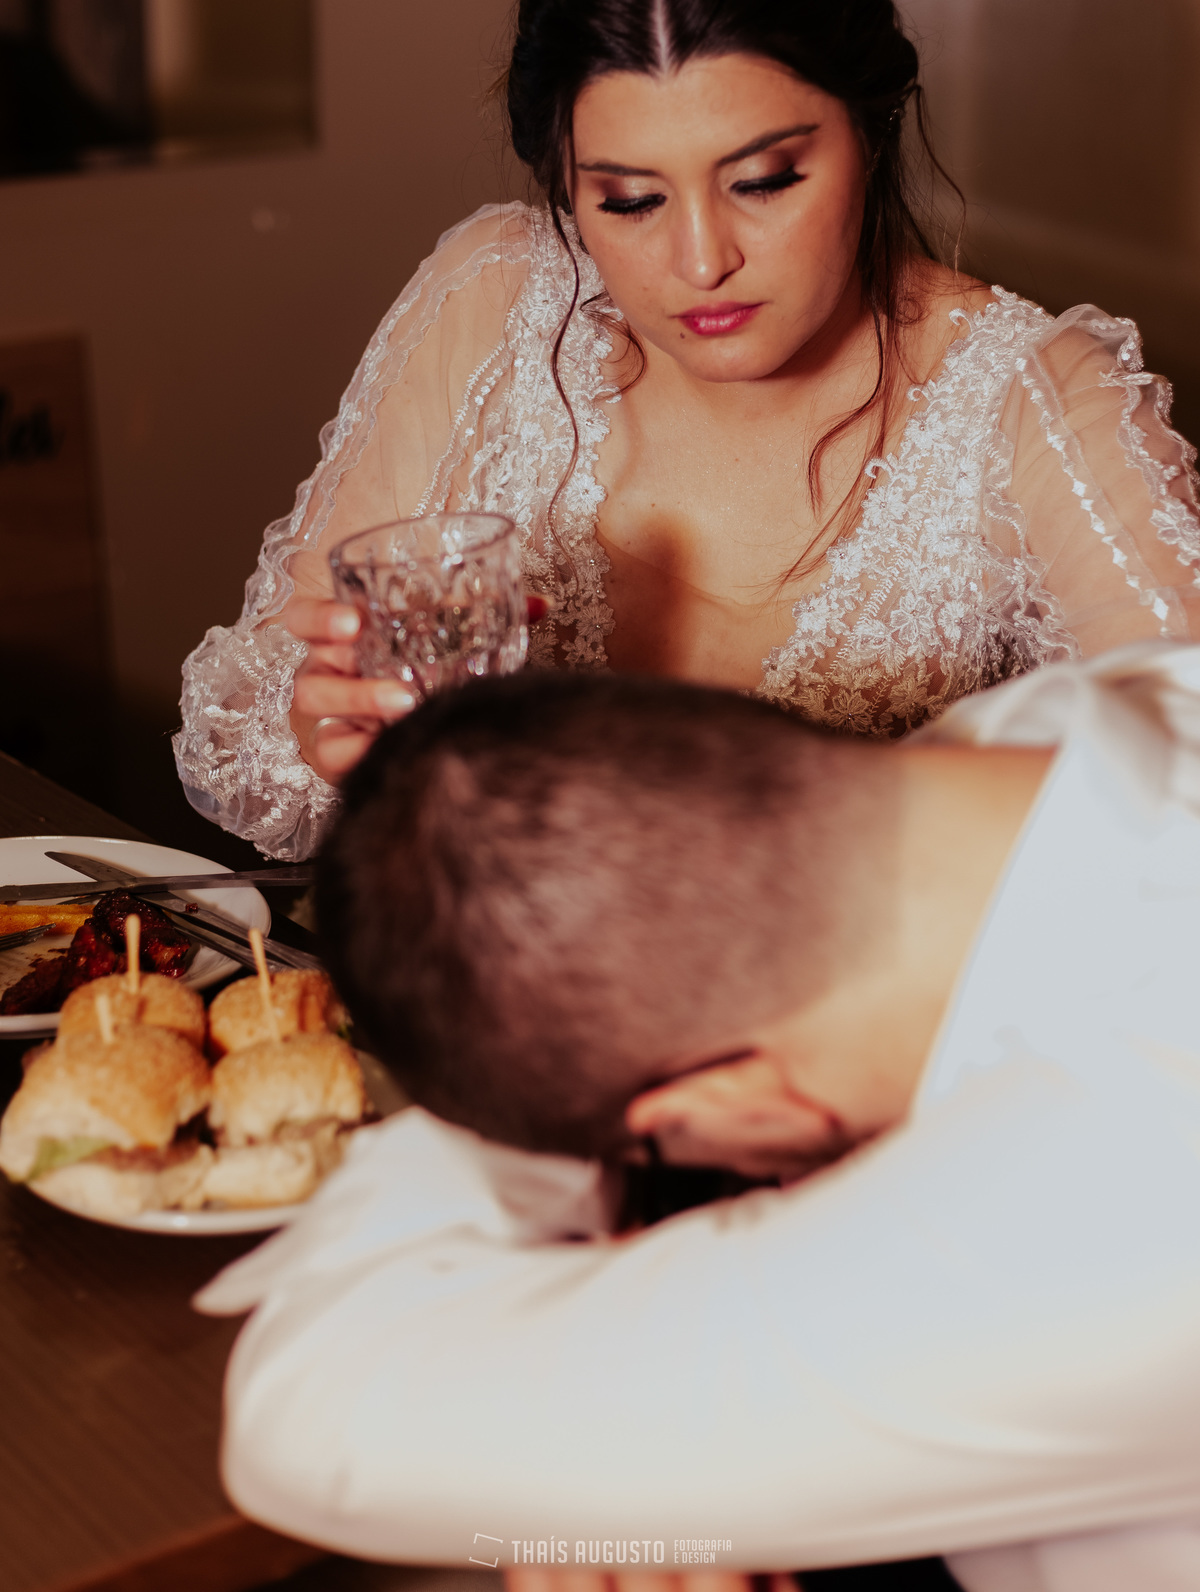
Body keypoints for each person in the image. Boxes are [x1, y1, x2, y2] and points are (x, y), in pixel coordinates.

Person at [175, 0, 1200, 862]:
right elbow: (248, 730)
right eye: (630, 200)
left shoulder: (1035, 403)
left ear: (871, 125)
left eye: (763, 181)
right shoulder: (496, 302)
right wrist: (326, 729)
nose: (702, 261)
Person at [200, 650, 1200, 1592]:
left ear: (716, 1105)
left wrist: (618, 1488)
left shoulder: (1110, 1184)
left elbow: (303, 1422)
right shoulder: (1060, 730)